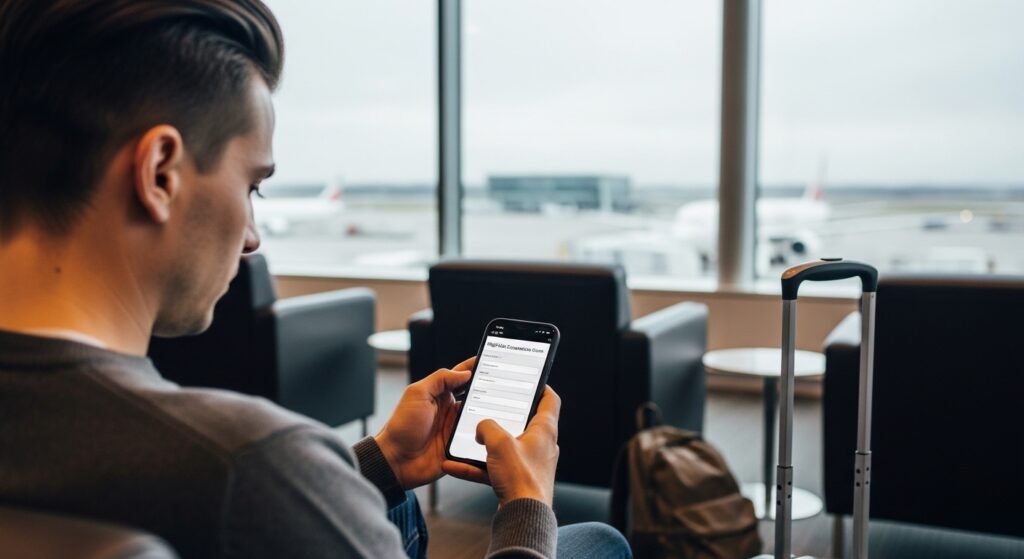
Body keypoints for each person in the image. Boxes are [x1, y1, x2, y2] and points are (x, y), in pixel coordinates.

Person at [0, 1, 630, 558]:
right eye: (251, 185)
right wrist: (526, 506)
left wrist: (372, 464)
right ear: (161, 173)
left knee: (397, 502)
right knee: (596, 541)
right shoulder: (251, 465)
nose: (252, 236)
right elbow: (256, 490)